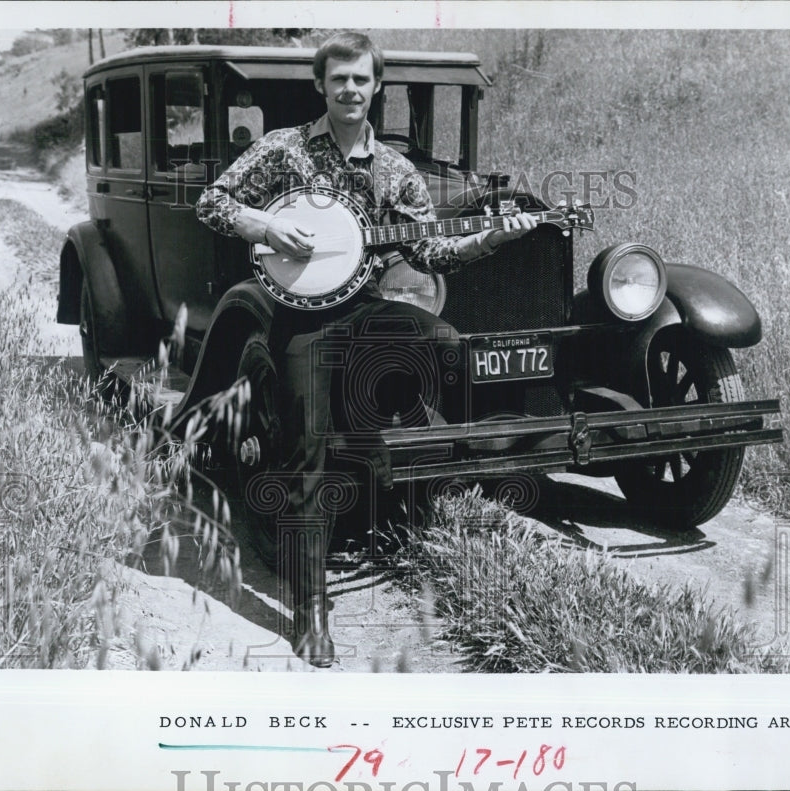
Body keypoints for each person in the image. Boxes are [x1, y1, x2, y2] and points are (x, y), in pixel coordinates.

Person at [196, 32, 536, 667]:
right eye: (339, 79)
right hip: (300, 317)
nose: (350, 90)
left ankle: (418, 472)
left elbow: (429, 253)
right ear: (321, 85)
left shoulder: (395, 171)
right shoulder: (284, 149)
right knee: (304, 452)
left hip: (367, 307)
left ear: (377, 87)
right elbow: (211, 202)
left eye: (361, 80)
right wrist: (266, 225)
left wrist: (491, 237)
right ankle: (311, 611)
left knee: (445, 341)